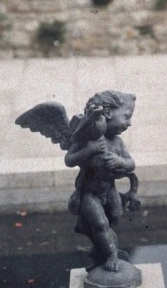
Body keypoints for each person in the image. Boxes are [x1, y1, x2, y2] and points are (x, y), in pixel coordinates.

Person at [64, 91, 137, 272]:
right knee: (101, 224)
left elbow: (131, 163)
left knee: (115, 217)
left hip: (110, 190)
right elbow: (69, 159)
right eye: (127, 117)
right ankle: (111, 255)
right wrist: (90, 149)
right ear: (108, 113)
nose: (129, 123)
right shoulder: (86, 138)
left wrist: (121, 162)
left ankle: (101, 250)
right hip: (90, 193)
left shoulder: (117, 142)